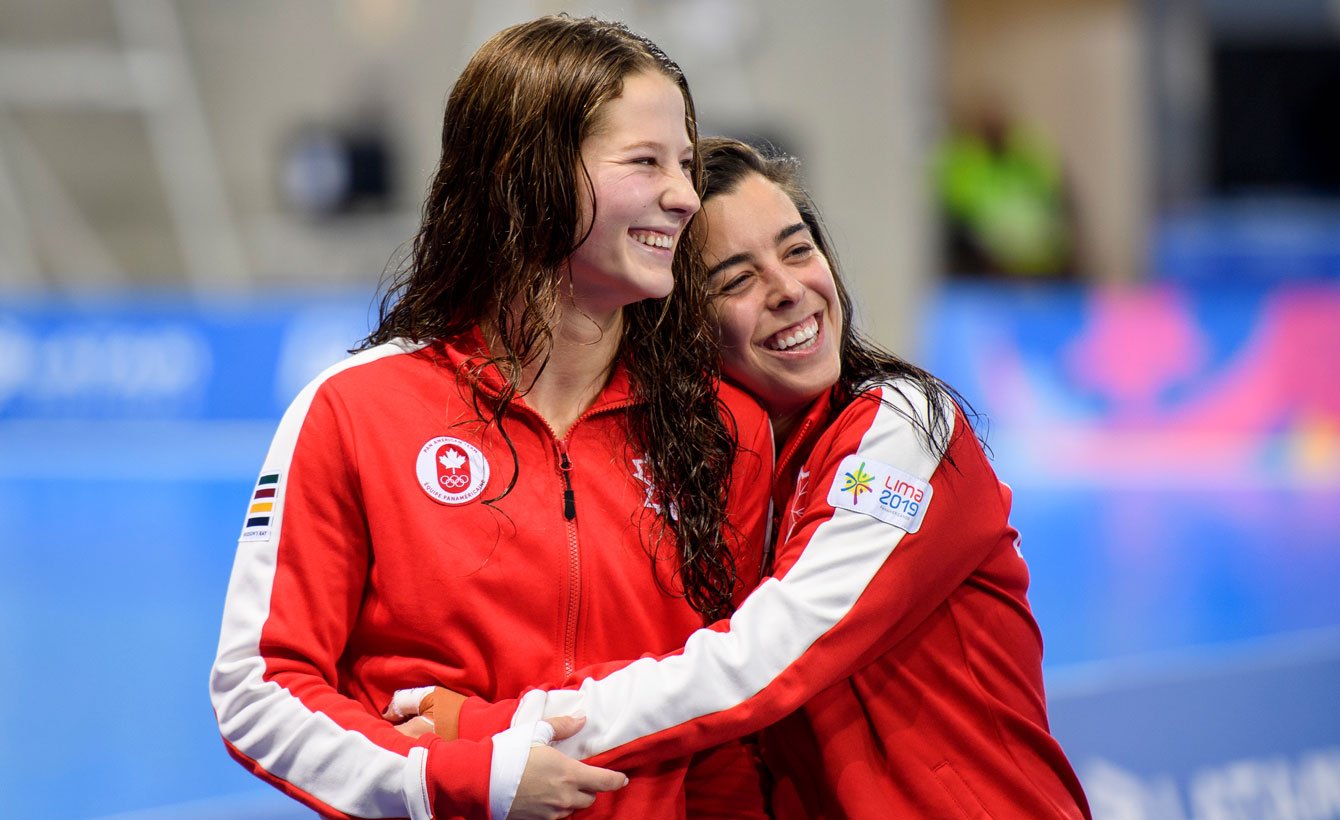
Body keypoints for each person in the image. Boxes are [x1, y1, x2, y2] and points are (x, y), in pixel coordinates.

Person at [398, 137, 1092, 819]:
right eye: (736, 280)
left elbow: (761, 660)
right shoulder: (711, 474)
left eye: (797, 250)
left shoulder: (902, 428)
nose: (789, 290)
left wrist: (497, 730)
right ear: (679, 326)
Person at [208, 19, 773, 820]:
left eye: (683, 163)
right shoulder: (357, 411)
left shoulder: (720, 430)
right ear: (528, 175)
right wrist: (454, 781)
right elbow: (260, 688)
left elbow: (730, 728)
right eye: (645, 162)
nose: (684, 195)